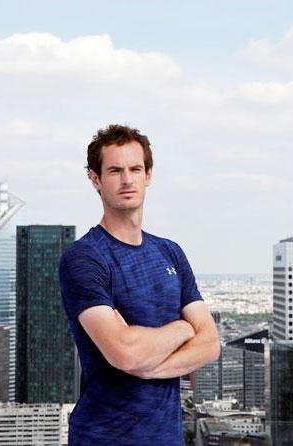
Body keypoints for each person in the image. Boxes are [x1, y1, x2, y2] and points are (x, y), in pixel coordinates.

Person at [58, 124, 220, 445]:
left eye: (135, 169)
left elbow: (211, 344)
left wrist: (150, 366)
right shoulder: (85, 258)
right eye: (115, 170)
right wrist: (183, 329)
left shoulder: (170, 252)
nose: (128, 180)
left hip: (166, 437)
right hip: (104, 437)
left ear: (149, 175)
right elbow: (126, 353)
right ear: (96, 179)